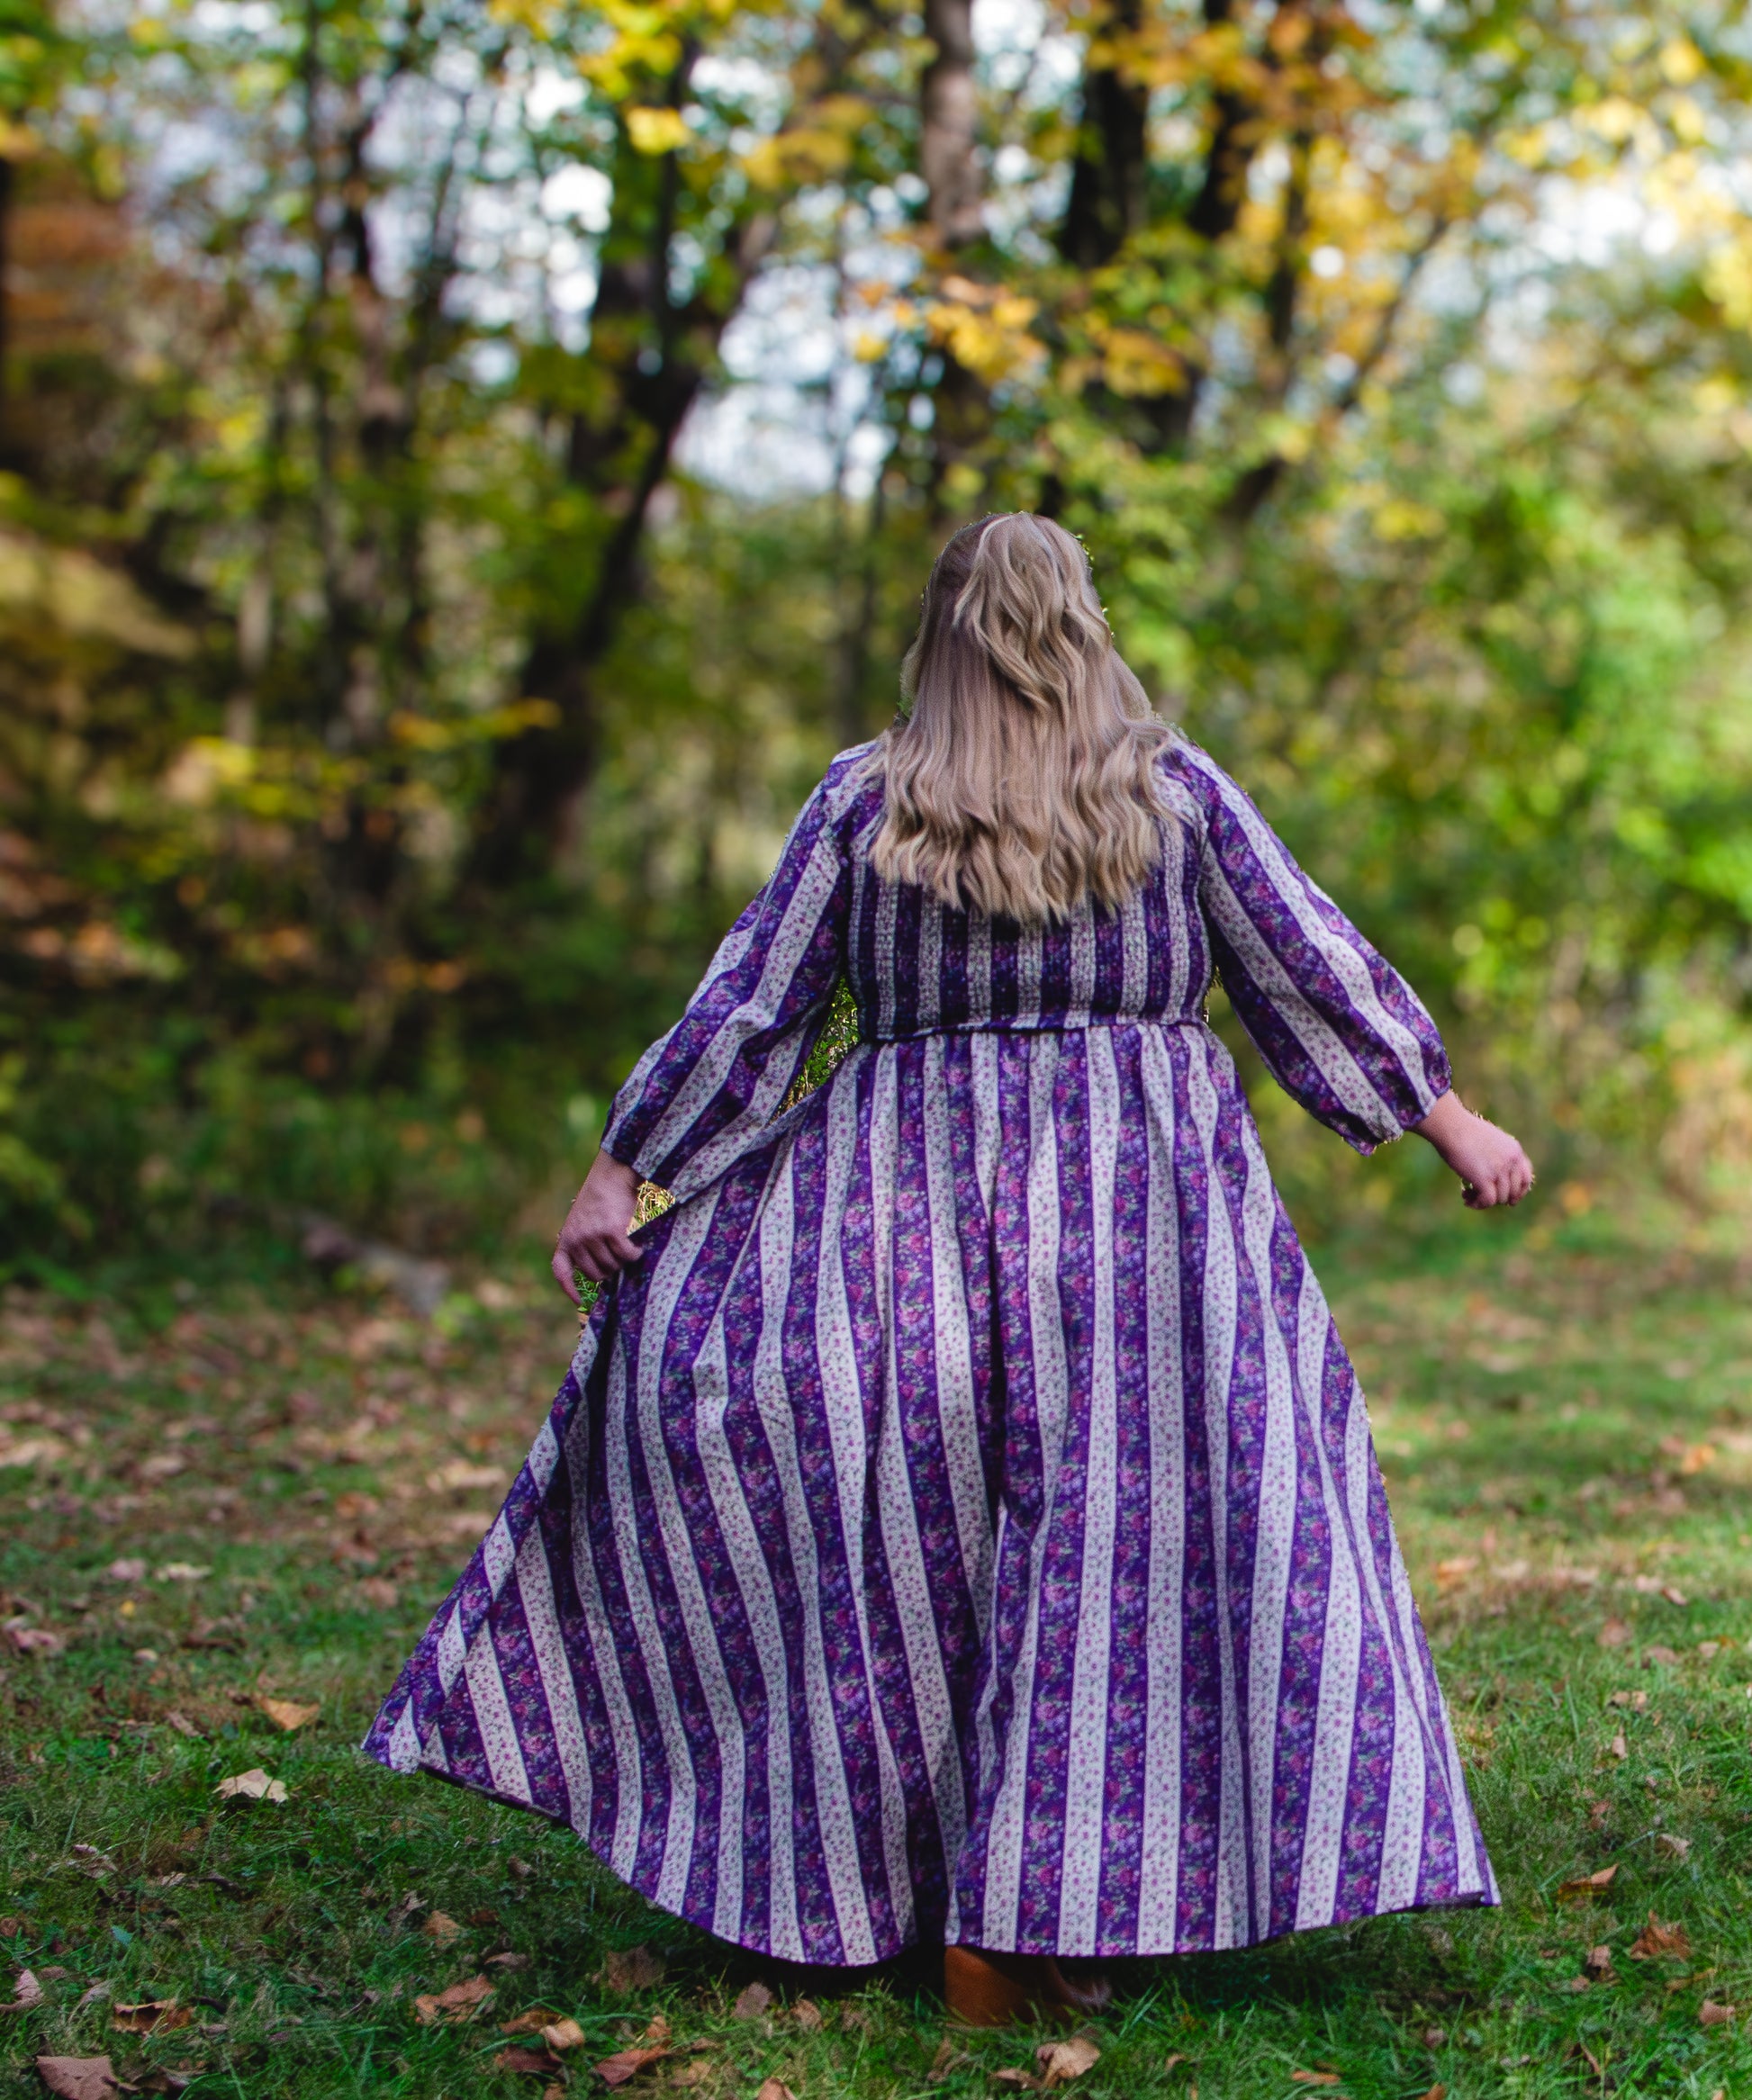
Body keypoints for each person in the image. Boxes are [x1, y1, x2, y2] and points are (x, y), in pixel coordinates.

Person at [366, 513, 1531, 2026]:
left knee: (906, 1538)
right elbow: (1302, 961)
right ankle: (1054, 1908)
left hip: (901, 1207)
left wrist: (621, 1164)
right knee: (1119, 1545)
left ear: (939, 637)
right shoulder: (1166, 791)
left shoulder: (871, 798)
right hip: (1144, 1218)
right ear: (1085, 627)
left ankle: (893, 1890)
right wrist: (1446, 1115)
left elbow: (753, 1006)